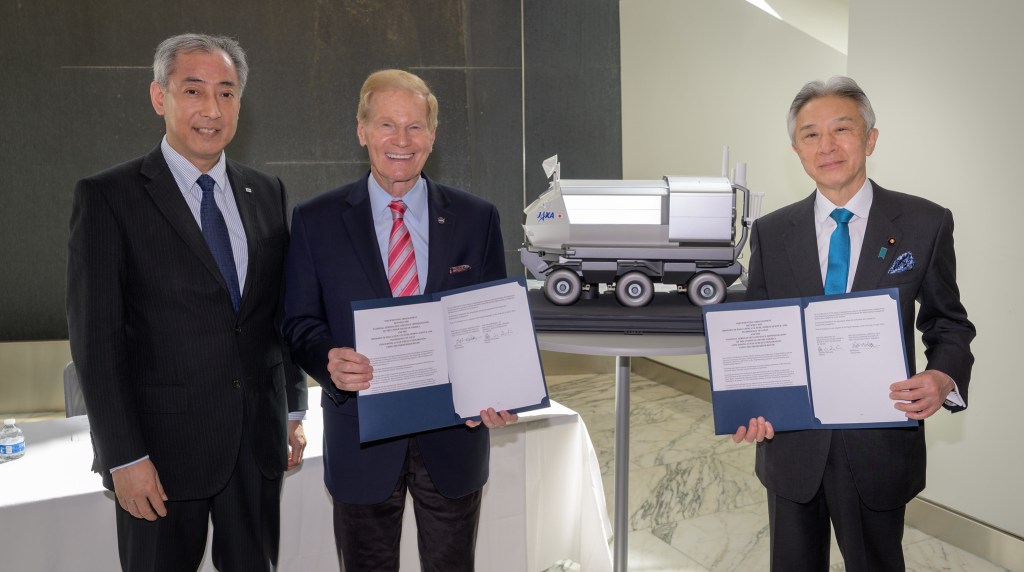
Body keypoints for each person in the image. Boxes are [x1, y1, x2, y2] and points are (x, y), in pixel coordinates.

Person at [66, 33, 308, 571]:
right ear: (160, 97)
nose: (211, 109)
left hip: (255, 445)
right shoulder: (109, 197)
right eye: (193, 91)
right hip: (159, 450)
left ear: (240, 104)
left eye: (226, 93)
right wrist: (123, 456)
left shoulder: (267, 190)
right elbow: (96, 343)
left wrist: (290, 409)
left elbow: (274, 316)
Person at [731, 76, 976, 571]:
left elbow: (949, 323)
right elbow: (755, 334)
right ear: (796, 149)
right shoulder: (773, 232)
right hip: (791, 443)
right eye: (810, 134)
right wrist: (750, 402)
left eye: (841, 129)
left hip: (878, 443)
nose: (827, 146)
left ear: (870, 138)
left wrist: (942, 376)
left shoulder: (924, 223)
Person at [282, 69, 516, 571]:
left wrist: (499, 389)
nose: (401, 140)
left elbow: (493, 325)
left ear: (433, 136)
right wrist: (328, 361)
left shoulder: (478, 218)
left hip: (455, 438)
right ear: (361, 130)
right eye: (387, 124)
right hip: (361, 436)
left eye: (414, 127)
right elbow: (297, 321)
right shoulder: (315, 220)